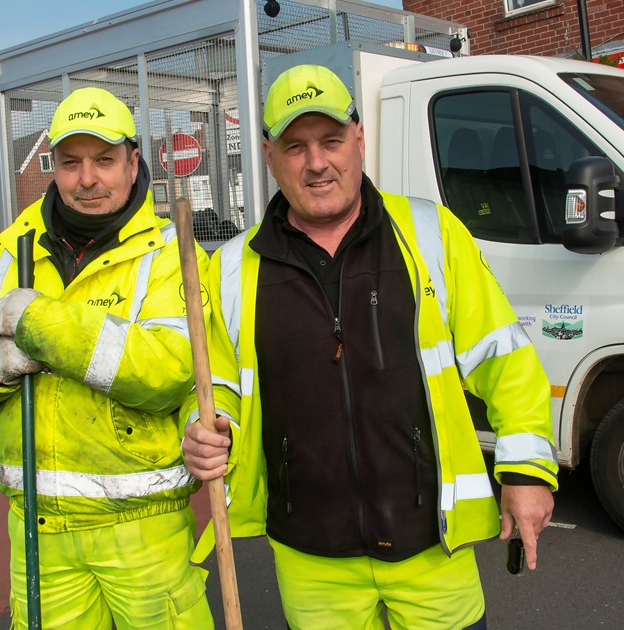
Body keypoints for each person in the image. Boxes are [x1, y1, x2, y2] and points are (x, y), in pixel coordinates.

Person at [183, 64, 558, 628]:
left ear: (359, 139)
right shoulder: (233, 268)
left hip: (430, 545)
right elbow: (222, 390)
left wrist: (526, 471)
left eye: (332, 141)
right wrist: (211, 430)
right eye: (295, 147)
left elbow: (505, 359)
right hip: (312, 556)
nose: (316, 163)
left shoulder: (430, 234)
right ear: (267, 153)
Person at [0, 86, 213, 629]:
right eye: (70, 163)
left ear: (133, 163)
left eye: (104, 160)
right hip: (38, 534)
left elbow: (168, 373)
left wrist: (38, 323)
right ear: (52, 169)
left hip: (144, 533)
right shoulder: (13, 254)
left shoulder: (171, 254)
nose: (87, 179)